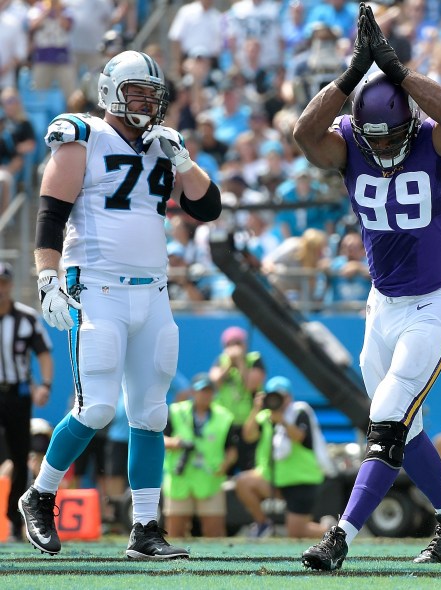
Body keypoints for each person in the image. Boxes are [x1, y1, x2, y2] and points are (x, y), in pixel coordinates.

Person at [294, 3, 441, 571]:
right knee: (403, 425)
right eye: (374, 138)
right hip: (382, 303)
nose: (384, 147)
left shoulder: (438, 141)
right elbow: (304, 133)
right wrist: (352, 73)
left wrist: (396, 70)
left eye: (394, 135)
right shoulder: (351, 139)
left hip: (431, 303)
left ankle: (340, 537)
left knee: (388, 419)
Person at [19, 49, 222, 558]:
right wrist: (46, 275)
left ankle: (145, 529)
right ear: (111, 91)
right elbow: (49, 215)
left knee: (153, 413)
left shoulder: (163, 146)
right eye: (137, 92)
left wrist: (183, 160)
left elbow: (208, 207)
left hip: (152, 290)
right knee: (98, 407)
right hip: (97, 286)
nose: (146, 103)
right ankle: (40, 495)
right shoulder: (82, 135)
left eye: (153, 95)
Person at [235, 376, 335, 539]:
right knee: (243, 482)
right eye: (273, 396)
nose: (279, 401)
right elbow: (248, 436)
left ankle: (330, 530)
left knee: (296, 532)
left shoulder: (300, 412)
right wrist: (256, 409)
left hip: (301, 480)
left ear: (289, 396)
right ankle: (262, 524)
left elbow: (299, 437)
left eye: (282, 396)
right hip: (275, 480)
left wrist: (282, 421)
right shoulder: (265, 416)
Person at [0, 263, 53, 541]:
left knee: (20, 457)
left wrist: (44, 385)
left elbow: (44, 353)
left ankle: (15, 521)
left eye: (3, 282)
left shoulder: (26, 318)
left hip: (17, 395)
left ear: (10, 285)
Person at [162, 372, 237, 538]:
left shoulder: (224, 417)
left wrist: (226, 464)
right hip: (179, 478)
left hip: (210, 479)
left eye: (209, 391)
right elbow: (160, 439)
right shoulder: (175, 412)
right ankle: (174, 564)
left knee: (214, 532)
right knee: (175, 531)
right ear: (193, 392)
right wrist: (175, 443)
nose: (205, 395)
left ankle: (216, 564)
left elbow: (232, 448)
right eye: (201, 391)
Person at [209, 325, 266, 473]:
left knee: (250, 466)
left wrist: (240, 363)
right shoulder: (221, 362)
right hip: (227, 425)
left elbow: (250, 385)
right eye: (230, 344)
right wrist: (229, 364)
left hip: (249, 424)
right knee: (225, 467)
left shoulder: (254, 360)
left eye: (238, 343)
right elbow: (215, 382)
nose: (234, 348)